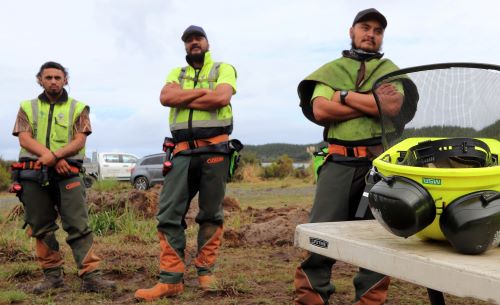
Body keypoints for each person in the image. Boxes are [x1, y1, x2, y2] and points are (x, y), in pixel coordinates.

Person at [294, 8, 404, 305]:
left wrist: (342, 96)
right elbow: (320, 110)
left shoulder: (391, 70)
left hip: (379, 166)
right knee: (320, 235)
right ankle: (311, 298)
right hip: (338, 162)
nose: (371, 34)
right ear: (352, 31)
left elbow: (392, 107)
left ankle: (369, 301)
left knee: (378, 237)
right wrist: (372, 101)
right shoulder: (330, 70)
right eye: (365, 27)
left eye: (378, 31)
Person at [134, 25, 238, 301]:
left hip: (215, 150)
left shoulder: (223, 68)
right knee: (168, 214)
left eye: (198, 38)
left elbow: (222, 97)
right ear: (185, 46)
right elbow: (166, 98)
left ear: (207, 42)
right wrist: (204, 96)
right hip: (180, 152)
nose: (194, 43)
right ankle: (171, 280)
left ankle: (206, 272)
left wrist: (185, 97)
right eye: (189, 40)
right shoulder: (175, 74)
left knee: (211, 213)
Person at [11, 61, 116, 294]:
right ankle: (52, 277)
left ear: (65, 80)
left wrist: (56, 157)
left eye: (58, 77)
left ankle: (91, 277)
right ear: (40, 80)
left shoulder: (79, 108)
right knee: (40, 226)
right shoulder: (26, 107)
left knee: (78, 224)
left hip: (69, 173)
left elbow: (79, 140)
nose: (53, 81)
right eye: (48, 77)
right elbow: (24, 139)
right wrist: (52, 158)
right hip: (32, 174)